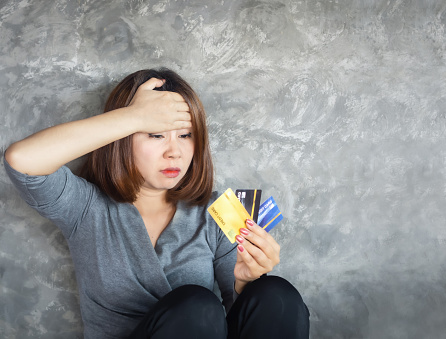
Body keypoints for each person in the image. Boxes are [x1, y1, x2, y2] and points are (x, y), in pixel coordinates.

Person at [4, 68, 310, 339]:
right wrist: (133, 116)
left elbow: (243, 320)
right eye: (156, 134)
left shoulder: (222, 210)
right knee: (196, 306)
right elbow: (22, 160)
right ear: (122, 136)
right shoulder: (86, 207)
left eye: (186, 135)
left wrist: (245, 283)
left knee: (275, 295)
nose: (174, 152)